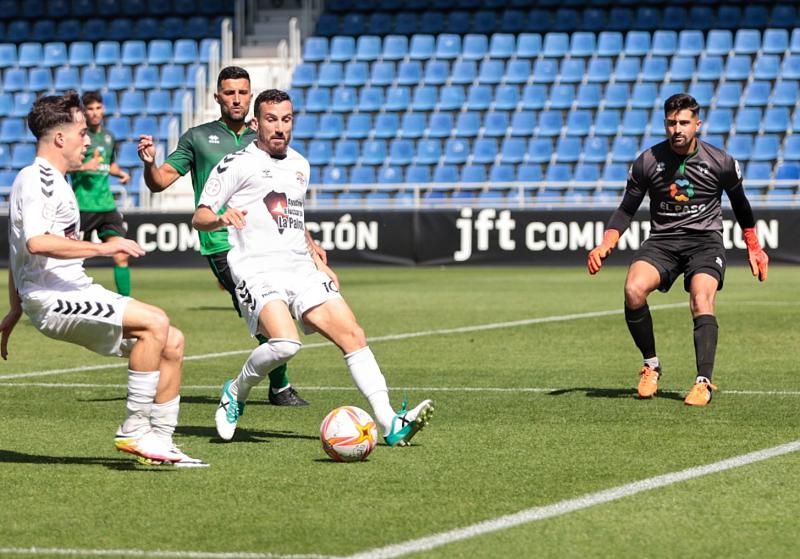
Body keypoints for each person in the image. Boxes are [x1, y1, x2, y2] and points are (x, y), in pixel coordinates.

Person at [192, 89, 435, 445]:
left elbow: (290, 215)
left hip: (299, 268)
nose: (279, 128)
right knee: (286, 344)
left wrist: (315, 254)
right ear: (255, 123)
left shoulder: (300, 165)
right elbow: (200, 216)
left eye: (286, 119)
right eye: (271, 120)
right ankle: (236, 389)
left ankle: (390, 423)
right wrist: (220, 219)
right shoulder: (236, 164)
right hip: (255, 269)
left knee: (353, 336)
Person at [0, 92, 206, 467]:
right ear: (59, 137)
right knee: (155, 320)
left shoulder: (55, 180)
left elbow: (17, 249)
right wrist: (105, 248)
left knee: (171, 341)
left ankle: (160, 440)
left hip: (63, 292)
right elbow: (36, 241)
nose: (88, 139)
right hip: (52, 298)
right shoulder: (39, 179)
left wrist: (14, 307)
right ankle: (133, 430)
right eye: (81, 131)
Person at [137, 66, 312, 407]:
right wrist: (149, 163)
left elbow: (284, 195)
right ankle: (280, 386)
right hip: (223, 243)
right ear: (217, 96)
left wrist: (307, 239)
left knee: (280, 312)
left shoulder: (263, 137)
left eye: (242, 92)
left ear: (250, 96)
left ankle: (277, 384)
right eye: (229, 92)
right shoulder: (197, 137)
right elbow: (159, 182)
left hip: (268, 242)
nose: (236, 98)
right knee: (267, 313)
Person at [587, 93, 769, 406]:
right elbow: (627, 207)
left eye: (684, 122)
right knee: (633, 289)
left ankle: (703, 383)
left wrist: (753, 246)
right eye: (672, 123)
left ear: (697, 124)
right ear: (665, 124)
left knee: (701, 298)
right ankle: (651, 365)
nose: (677, 129)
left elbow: (741, 205)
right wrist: (607, 241)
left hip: (704, 241)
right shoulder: (647, 161)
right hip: (662, 242)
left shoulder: (721, 162)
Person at [69, 91, 132, 296]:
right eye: (90, 109)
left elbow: (108, 164)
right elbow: (65, 166)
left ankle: (125, 305)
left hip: (106, 206)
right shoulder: (77, 137)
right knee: (73, 260)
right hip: (83, 206)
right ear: (84, 112)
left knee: (121, 254)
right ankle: (68, 302)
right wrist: (84, 166)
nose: (95, 113)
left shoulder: (108, 137)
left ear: (103, 109)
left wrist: (120, 173)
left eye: (98, 108)